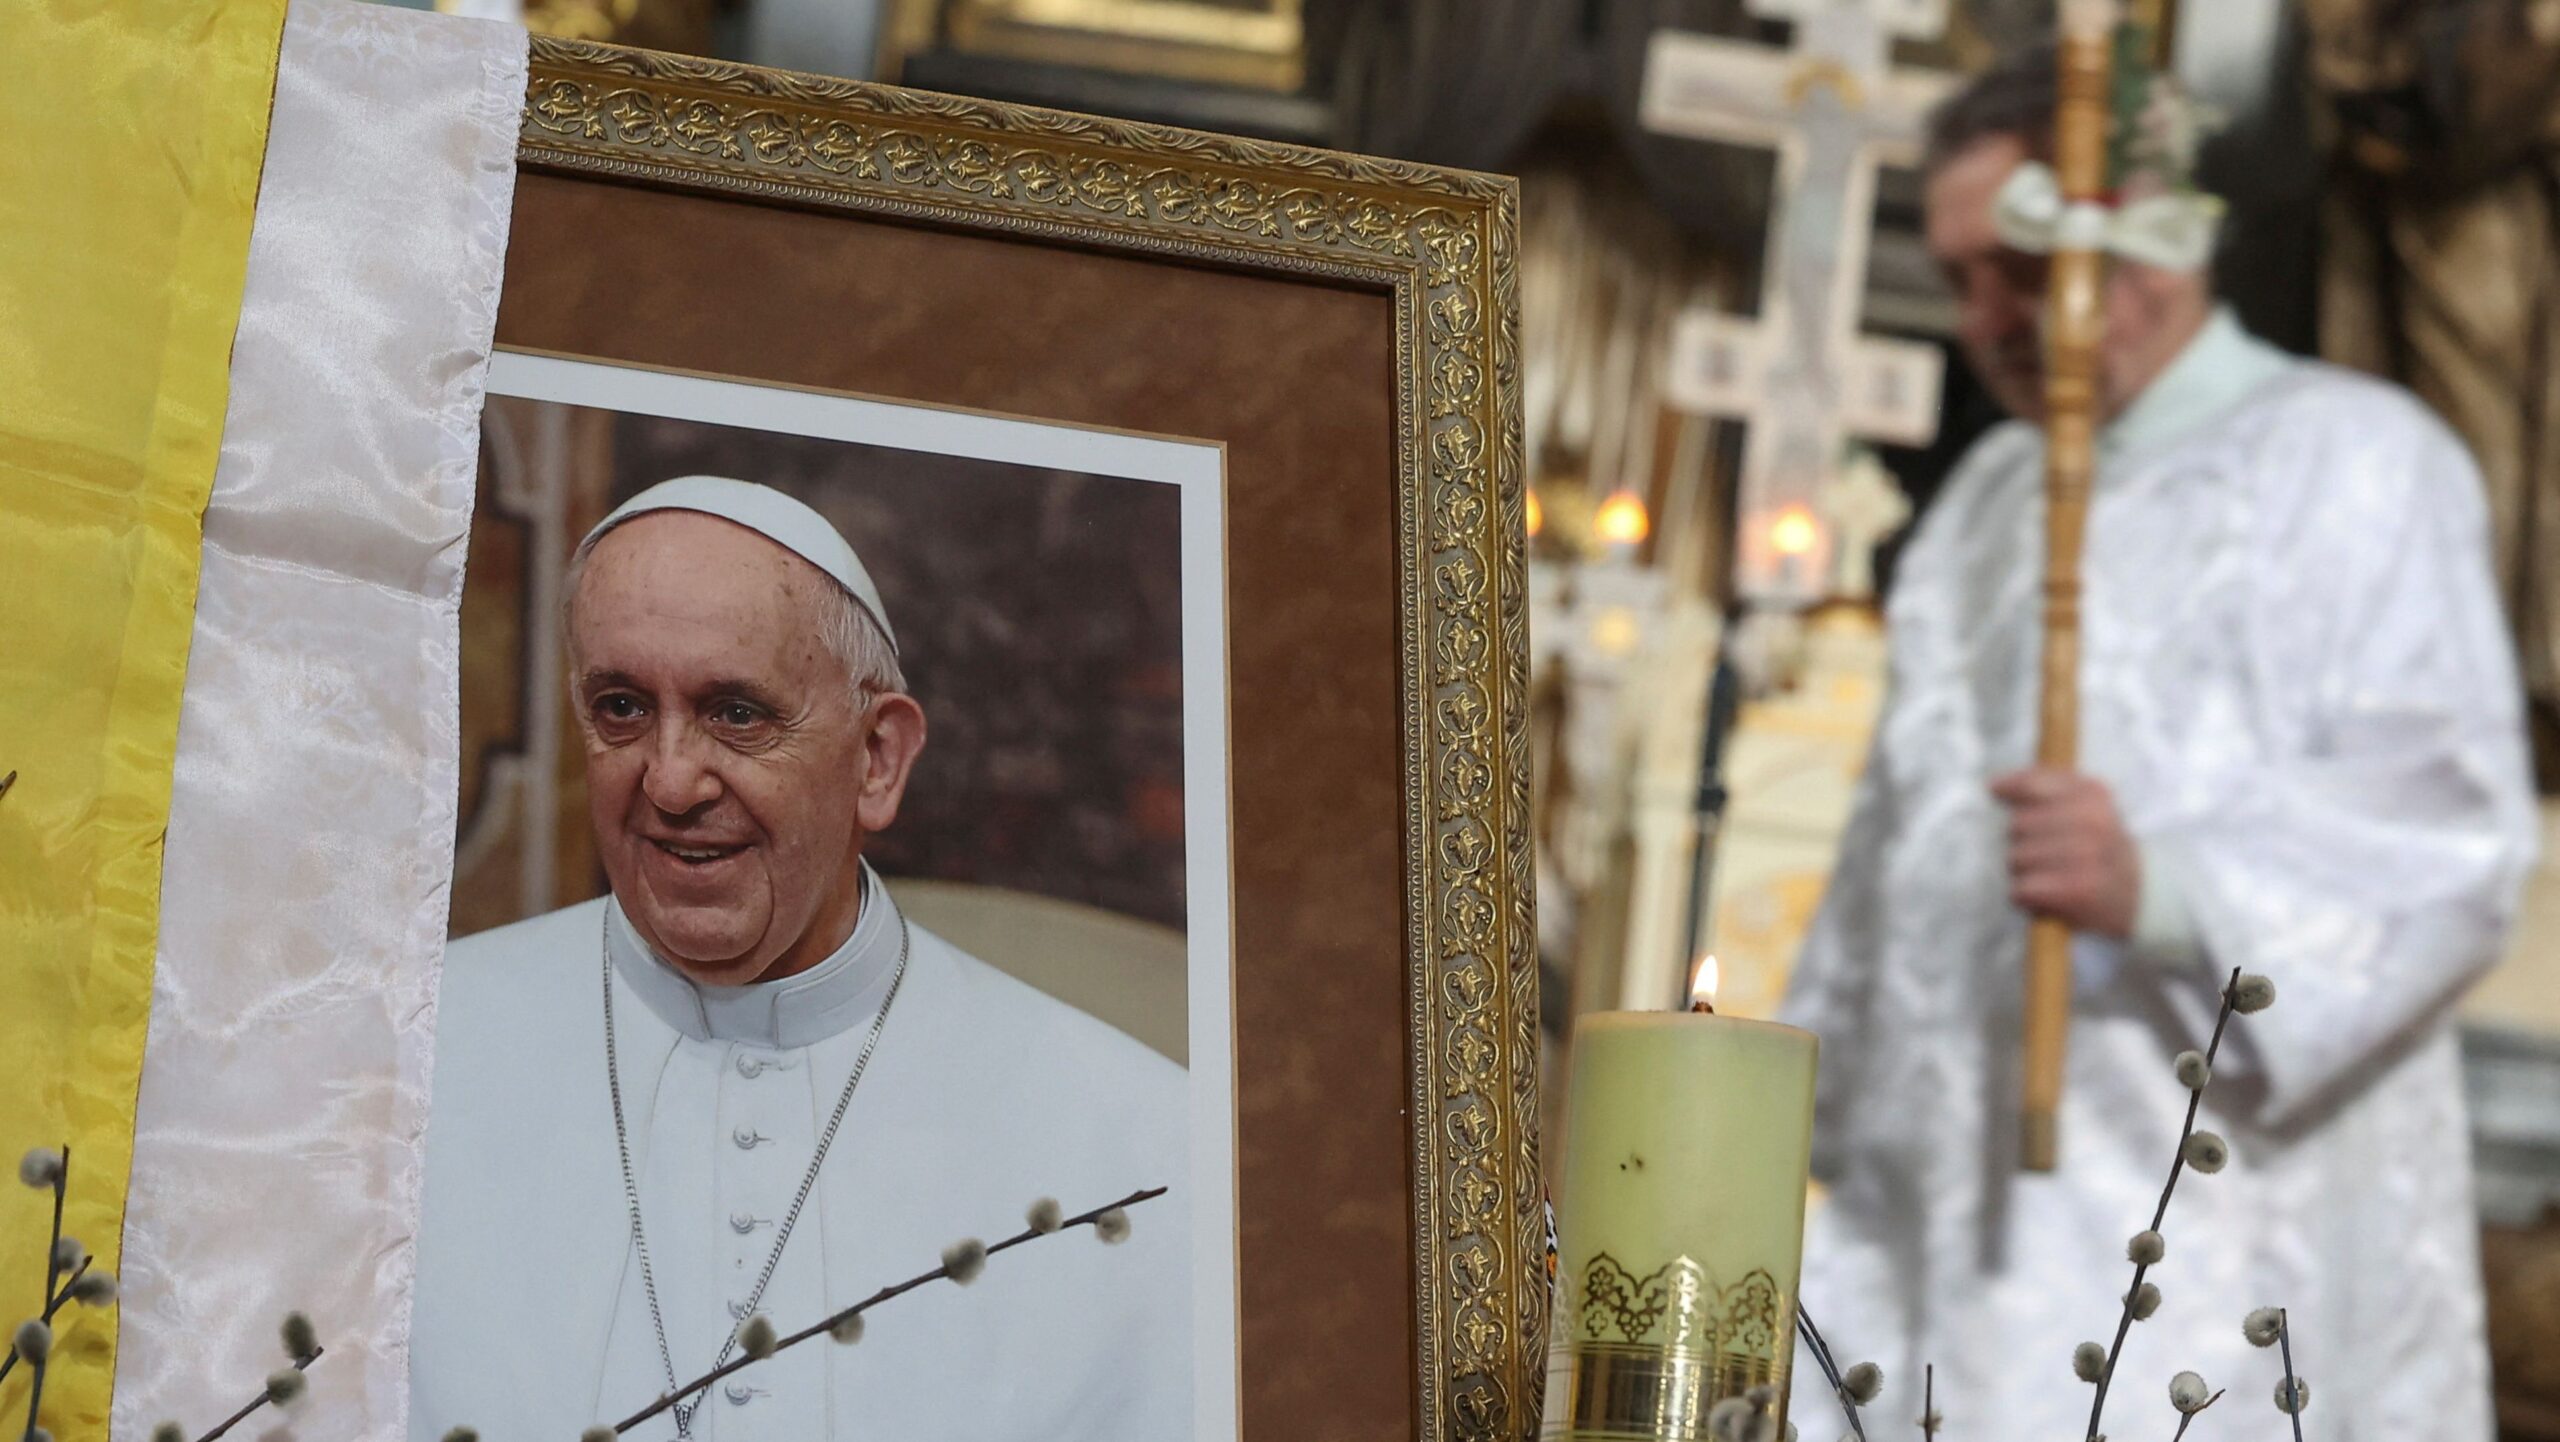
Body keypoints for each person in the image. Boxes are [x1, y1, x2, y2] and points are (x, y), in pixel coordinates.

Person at [1781, 44, 2539, 1440]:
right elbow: (1903, 826)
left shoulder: (2359, 459)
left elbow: (2450, 834)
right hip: (1947, 1200)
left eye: (2012, 268)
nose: (1981, 320)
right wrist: (1805, 1106)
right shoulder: (1986, 498)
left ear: (2139, 230)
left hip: (2206, 1212)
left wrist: (2164, 887)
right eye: (1956, 280)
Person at [410, 477, 1189, 1440]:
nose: (671, 781)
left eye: (737, 713)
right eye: (621, 707)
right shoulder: (404, 1064)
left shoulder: (1141, 1143)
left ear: (877, 759)